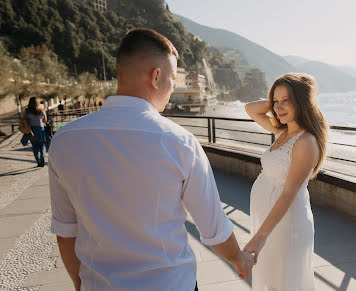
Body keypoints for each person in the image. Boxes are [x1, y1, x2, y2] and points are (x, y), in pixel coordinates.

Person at [49, 28, 254, 291]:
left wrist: (81, 284)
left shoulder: (65, 140)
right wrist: (240, 259)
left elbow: (66, 231)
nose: (171, 89)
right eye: (171, 79)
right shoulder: (180, 143)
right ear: (156, 76)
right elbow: (215, 229)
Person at [244, 73, 328, 291]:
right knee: (272, 283)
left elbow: (288, 194)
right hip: (270, 221)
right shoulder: (283, 131)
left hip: (287, 225)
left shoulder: (305, 141)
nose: (278, 108)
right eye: (275, 101)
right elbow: (250, 109)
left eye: (286, 101)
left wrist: (260, 237)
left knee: (282, 284)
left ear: (301, 102)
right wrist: (276, 103)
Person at [25, 97, 47, 167]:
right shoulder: (41, 111)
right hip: (41, 130)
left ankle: (38, 161)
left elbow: (26, 122)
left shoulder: (27, 112)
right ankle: (42, 156)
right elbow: (45, 120)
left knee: (35, 147)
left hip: (32, 131)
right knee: (42, 146)